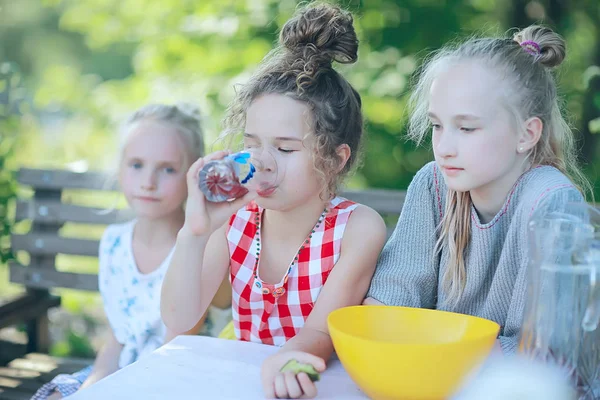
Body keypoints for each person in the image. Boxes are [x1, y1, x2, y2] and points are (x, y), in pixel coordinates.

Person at [160, 4, 387, 399]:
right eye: (252, 145)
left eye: (284, 149)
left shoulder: (357, 229)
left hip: (314, 382)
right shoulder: (235, 221)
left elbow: (321, 331)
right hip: (244, 383)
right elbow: (179, 322)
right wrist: (194, 233)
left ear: (335, 158)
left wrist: (284, 360)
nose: (262, 162)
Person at [365, 25, 590, 354]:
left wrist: (436, 357)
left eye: (466, 128)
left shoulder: (551, 202)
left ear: (527, 135)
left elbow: (541, 349)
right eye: (437, 126)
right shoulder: (434, 183)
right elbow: (393, 293)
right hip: (443, 372)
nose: (444, 148)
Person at [33, 103, 207, 399]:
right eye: (136, 164)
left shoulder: (197, 248)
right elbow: (117, 338)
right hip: (122, 371)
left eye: (167, 169)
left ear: (193, 174)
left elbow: (175, 353)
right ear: (120, 169)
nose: (148, 182)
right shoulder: (114, 243)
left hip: (176, 381)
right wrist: (90, 390)